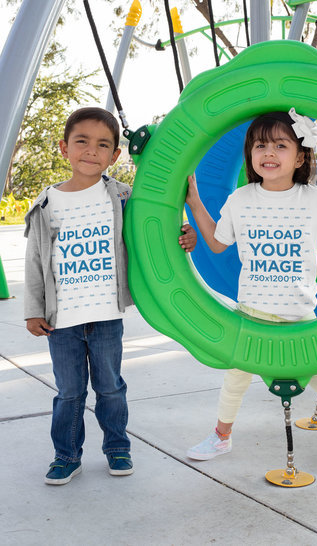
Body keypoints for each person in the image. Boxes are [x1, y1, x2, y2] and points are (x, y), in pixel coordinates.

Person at [185, 108, 317, 472]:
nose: (269, 153)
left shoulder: (314, 199)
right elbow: (216, 243)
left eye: (280, 145)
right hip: (252, 313)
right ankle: (221, 435)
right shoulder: (241, 200)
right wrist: (194, 203)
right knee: (235, 379)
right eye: (260, 145)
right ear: (249, 155)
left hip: (299, 315)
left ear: (300, 156)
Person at [24, 107, 197, 485]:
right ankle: (66, 455)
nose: (91, 150)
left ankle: (118, 447)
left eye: (103, 144)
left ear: (115, 155)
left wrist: (185, 234)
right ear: (64, 148)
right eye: (81, 141)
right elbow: (36, 260)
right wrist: (33, 310)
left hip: (105, 315)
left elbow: (156, 227)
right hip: (61, 321)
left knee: (111, 387)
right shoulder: (47, 202)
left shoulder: (123, 197)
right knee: (69, 392)